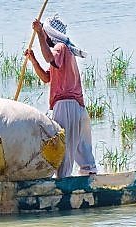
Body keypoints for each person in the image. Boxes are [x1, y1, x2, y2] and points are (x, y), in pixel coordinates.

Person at [24, 16, 98, 178]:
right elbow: (46, 78)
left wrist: (38, 34)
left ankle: (63, 181)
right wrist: (34, 61)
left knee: (64, 146)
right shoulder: (65, 52)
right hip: (77, 107)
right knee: (81, 146)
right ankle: (89, 175)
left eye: (45, 34)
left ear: (50, 35)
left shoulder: (60, 48)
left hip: (66, 105)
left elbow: (50, 58)